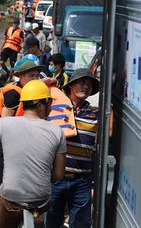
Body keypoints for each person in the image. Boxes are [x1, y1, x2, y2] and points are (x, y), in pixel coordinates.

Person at [0, 80, 66, 227]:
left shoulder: (3, 124)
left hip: (10, 197)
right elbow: (58, 175)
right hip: (40, 200)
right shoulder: (57, 132)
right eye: (49, 103)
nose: (51, 107)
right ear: (39, 105)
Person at [46, 68, 100, 228]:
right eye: (81, 82)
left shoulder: (95, 114)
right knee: (52, 222)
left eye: (89, 84)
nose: (85, 87)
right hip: (56, 179)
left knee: (81, 224)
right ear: (70, 86)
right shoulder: (53, 108)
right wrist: (52, 82)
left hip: (83, 180)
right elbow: (32, 87)